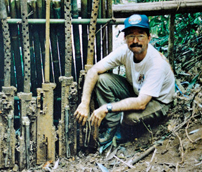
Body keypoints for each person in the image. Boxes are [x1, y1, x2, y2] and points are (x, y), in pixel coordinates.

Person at [74, 14, 175, 145]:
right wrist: (84, 103)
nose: (135, 41)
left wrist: (106, 107)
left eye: (140, 35)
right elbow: (94, 70)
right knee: (102, 79)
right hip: (137, 90)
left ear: (149, 38)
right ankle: (112, 125)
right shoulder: (125, 51)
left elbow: (141, 103)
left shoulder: (156, 64)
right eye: (131, 36)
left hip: (158, 101)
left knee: (130, 117)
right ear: (125, 38)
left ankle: (126, 135)